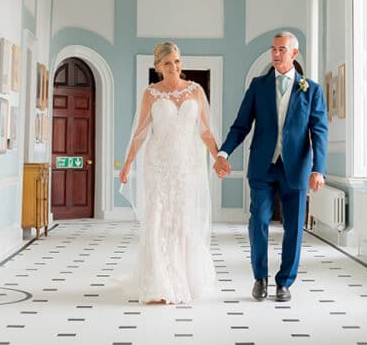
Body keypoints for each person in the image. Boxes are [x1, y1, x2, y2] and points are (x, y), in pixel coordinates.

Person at [214, 32, 327, 302]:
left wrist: (318, 169)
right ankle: (260, 278)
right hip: (263, 167)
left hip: (296, 169)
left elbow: (319, 131)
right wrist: (223, 152)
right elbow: (241, 125)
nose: (276, 54)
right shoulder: (258, 86)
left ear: (294, 53)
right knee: (259, 221)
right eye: (273, 49)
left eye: (282, 50)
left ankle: (284, 282)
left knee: (294, 228)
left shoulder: (311, 89)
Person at [119, 41, 218, 304]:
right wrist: (128, 163)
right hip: (158, 166)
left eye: (177, 61)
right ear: (158, 67)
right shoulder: (151, 94)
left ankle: (184, 279)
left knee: (182, 221)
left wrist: (218, 156)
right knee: (158, 220)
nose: (174, 67)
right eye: (167, 63)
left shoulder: (195, 91)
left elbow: (205, 132)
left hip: (186, 167)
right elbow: (140, 133)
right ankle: (159, 282)